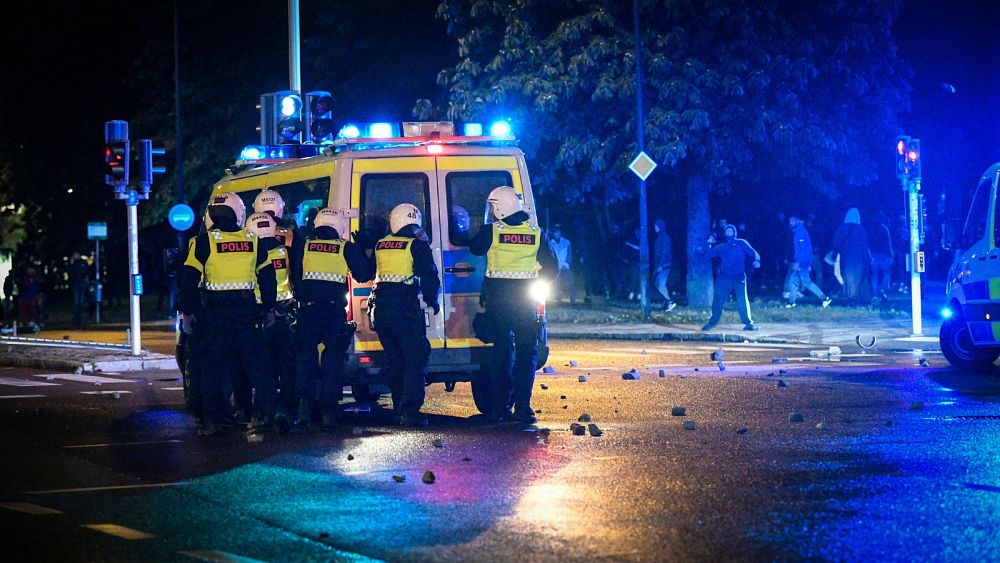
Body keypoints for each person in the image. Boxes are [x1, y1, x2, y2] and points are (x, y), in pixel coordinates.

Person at [178, 193, 278, 437]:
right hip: (247, 314)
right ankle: (266, 415)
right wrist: (267, 308)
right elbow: (267, 278)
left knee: (214, 369)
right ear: (238, 213)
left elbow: (188, 279)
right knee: (258, 367)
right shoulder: (253, 240)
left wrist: (191, 312)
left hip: (215, 316)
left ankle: (216, 420)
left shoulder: (205, 242)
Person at [346, 203, 440, 427]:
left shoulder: (381, 244)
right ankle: (410, 412)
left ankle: (399, 408)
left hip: (380, 311)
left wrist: (360, 247)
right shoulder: (415, 245)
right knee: (414, 359)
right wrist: (431, 301)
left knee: (396, 360)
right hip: (403, 310)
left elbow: (366, 273)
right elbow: (429, 276)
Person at [470, 186, 555, 423]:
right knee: (527, 352)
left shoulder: (492, 232)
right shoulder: (536, 233)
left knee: (501, 353)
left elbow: (474, 247)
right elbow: (553, 269)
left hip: (499, 303)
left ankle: (500, 408)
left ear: (499, 208)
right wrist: (535, 276)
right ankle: (524, 408)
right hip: (525, 302)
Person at [291, 208, 356, 430]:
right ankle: (329, 411)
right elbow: (364, 274)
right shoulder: (344, 248)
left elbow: (295, 278)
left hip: (307, 312)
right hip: (334, 312)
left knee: (305, 360)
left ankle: (303, 409)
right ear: (340, 227)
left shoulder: (303, 246)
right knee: (333, 361)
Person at [246, 211, 298, 432]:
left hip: (258, 316)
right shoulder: (284, 251)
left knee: (260, 367)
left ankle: (264, 412)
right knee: (287, 366)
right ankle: (287, 411)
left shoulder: (249, 253)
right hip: (285, 315)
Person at [701, 223, 760, 331]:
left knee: (742, 300)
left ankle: (748, 324)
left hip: (739, 276)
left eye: (731, 230)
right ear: (724, 233)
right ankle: (712, 322)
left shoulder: (741, 243)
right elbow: (708, 255)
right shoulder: (722, 247)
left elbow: (753, 252)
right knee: (718, 299)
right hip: (724, 277)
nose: (729, 232)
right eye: (727, 230)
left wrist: (757, 260)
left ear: (734, 232)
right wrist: (708, 244)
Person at [783, 214, 832, 308]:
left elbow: (803, 249)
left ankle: (825, 298)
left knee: (806, 282)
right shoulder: (798, 232)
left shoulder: (800, 232)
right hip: (802, 261)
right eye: (790, 221)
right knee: (793, 280)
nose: (790, 222)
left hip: (802, 262)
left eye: (793, 220)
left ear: (798, 221)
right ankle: (791, 302)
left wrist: (798, 262)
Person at [830, 208, 871, 305]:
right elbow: (865, 245)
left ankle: (850, 297)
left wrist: (834, 255)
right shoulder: (861, 229)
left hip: (846, 257)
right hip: (860, 258)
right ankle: (859, 297)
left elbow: (836, 243)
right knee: (859, 277)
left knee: (848, 277)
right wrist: (867, 258)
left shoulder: (842, 228)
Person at [869, 210, 894, 302]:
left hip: (874, 254)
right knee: (886, 274)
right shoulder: (884, 229)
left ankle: (875, 294)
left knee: (874, 275)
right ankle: (883, 291)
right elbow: (888, 243)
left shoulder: (871, 229)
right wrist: (891, 255)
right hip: (884, 254)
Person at [652, 218, 676, 311]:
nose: (655, 228)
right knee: (658, 283)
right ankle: (668, 301)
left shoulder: (664, 237)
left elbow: (665, 252)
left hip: (664, 265)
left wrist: (660, 265)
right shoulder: (659, 237)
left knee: (660, 284)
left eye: (656, 226)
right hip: (661, 264)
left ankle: (670, 301)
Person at [548, 225, 574, 304]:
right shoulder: (551, 243)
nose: (557, 234)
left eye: (558, 233)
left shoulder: (566, 242)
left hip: (565, 265)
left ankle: (573, 300)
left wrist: (567, 263)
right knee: (557, 284)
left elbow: (570, 254)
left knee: (570, 283)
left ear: (560, 233)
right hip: (557, 266)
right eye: (555, 233)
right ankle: (559, 300)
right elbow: (551, 255)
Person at [68, 252, 90, 325]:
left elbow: (87, 271)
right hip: (76, 283)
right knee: (77, 301)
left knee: (81, 301)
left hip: (82, 283)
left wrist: (86, 278)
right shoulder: (74, 263)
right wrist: (71, 264)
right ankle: (77, 317)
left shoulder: (83, 262)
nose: (75, 256)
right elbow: (71, 272)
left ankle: (79, 317)